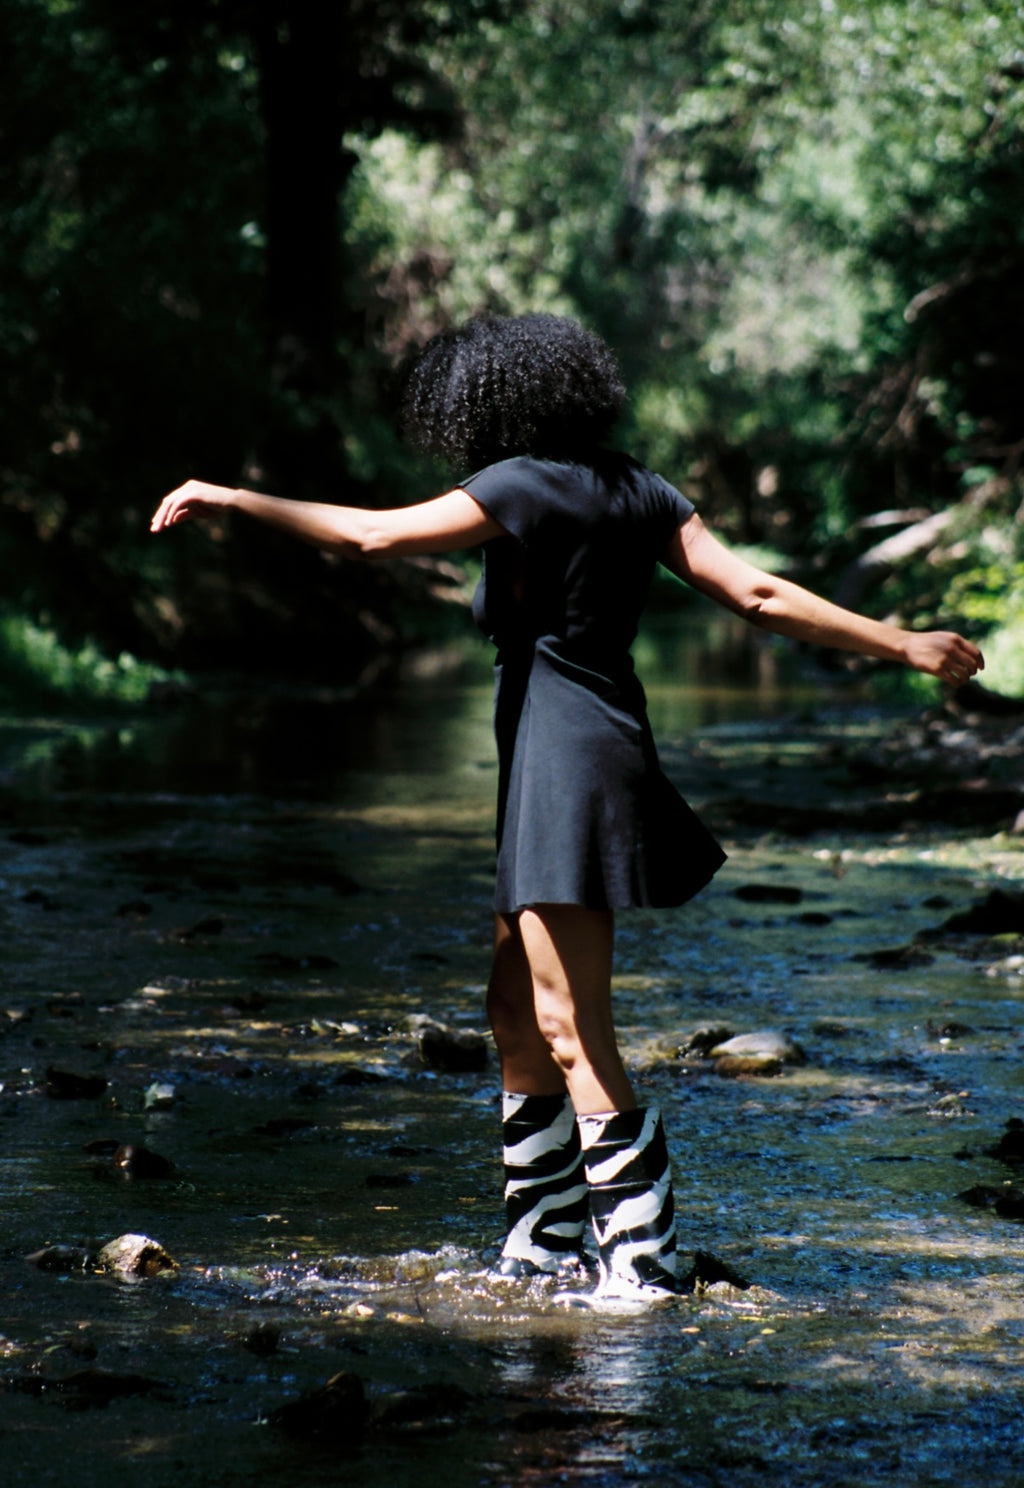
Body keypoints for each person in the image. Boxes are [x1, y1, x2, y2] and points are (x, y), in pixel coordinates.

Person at [151, 313, 984, 1308]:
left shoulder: (519, 482)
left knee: (568, 1022)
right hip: (571, 754)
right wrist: (900, 643)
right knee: (513, 1011)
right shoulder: (639, 487)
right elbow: (754, 593)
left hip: (564, 762)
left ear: (492, 405)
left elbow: (373, 535)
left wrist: (233, 497)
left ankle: (643, 1265)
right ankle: (542, 1245)